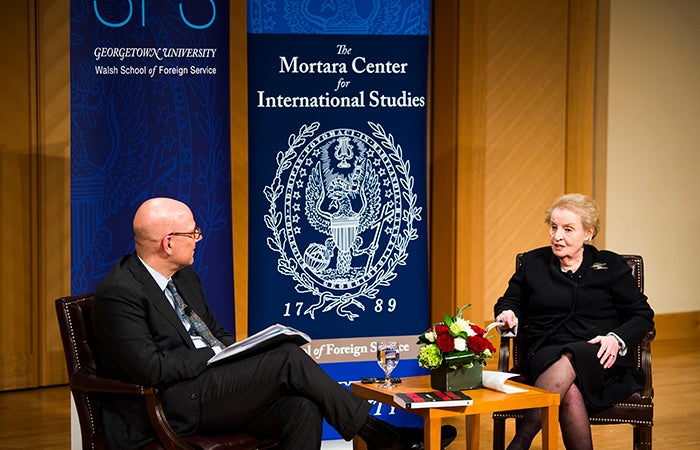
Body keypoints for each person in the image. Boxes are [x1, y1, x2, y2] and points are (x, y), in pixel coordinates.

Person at [92, 197, 456, 450]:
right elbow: (150, 368)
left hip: (207, 384)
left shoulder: (184, 277)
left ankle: (378, 435)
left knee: (301, 407)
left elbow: (214, 332)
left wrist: (227, 350)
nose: (198, 241)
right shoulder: (120, 292)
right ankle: (378, 433)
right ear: (168, 243)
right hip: (172, 403)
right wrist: (215, 355)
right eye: (192, 234)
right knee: (286, 357)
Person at [493, 193, 654, 450]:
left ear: (588, 233)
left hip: (599, 352)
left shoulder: (610, 265)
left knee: (571, 371)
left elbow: (643, 314)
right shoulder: (533, 263)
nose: (557, 236)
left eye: (568, 229)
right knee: (567, 367)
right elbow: (509, 301)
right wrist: (508, 313)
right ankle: (520, 442)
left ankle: (521, 441)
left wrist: (616, 338)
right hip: (545, 349)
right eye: (553, 227)